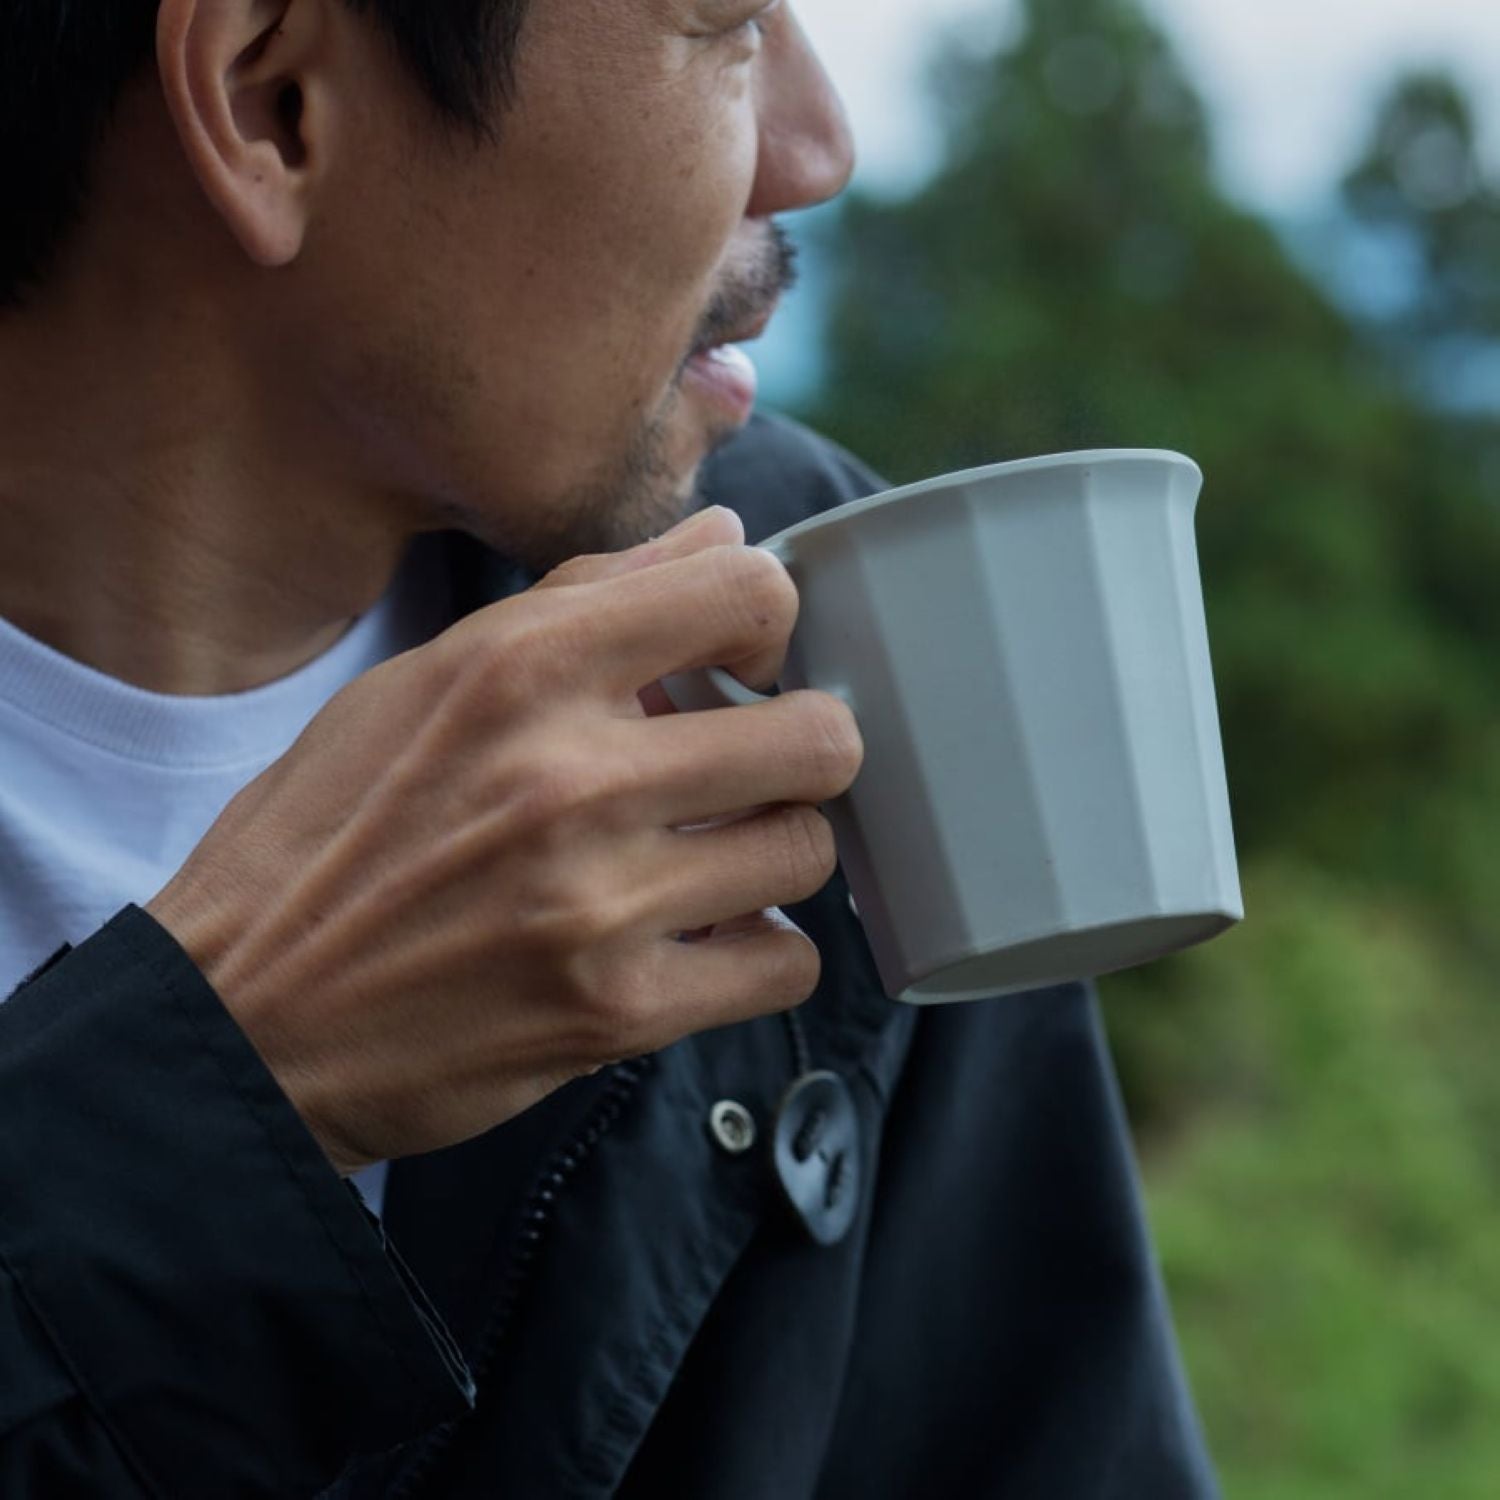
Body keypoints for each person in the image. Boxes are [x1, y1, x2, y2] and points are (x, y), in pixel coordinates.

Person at [0, 2, 1220, 1495]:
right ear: (273, 101)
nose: (817, 148)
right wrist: (215, 1107)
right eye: (723, 25)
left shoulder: (825, 604)